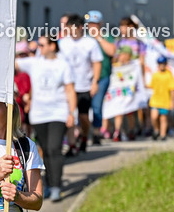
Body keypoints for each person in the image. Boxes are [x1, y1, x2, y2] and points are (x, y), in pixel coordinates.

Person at [16, 36, 77, 202]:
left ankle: (56, 186)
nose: (39, 47)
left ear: (52, 46)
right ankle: (49, 184)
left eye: (42, 44)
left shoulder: (63, 64)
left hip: (59, 112)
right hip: (38, 114)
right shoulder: (34, 62)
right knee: (45, 150)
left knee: (54, 148)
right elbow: (13, 64)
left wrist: (72, 113)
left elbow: (70, 90)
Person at [57, 13, 102, 153]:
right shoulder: (62, 43)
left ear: (81, 27)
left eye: (74, 29)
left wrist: (95, 82)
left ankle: (83, 136)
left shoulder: (90, 43)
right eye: (69, 28)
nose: (71, 32)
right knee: (69, 115)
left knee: (83, 117)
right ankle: (71, 145)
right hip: (68, 86)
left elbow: (97, 63)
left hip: (84, 85)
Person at [85, 10, 116, 142]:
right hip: (85, 78)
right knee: (84, 107)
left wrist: (98, 38)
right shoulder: (83, 38)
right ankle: (84, 133)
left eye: (95, 24)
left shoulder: (106, 36)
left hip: (102, 77)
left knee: (97, 105)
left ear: (100, 24)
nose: (92, 27)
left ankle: (97, 132)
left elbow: (112, 51)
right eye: (90, 24)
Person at [149, 56, 174, 140]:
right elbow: (151, 85)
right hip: (155, 100)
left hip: (165, 100)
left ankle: (163, 134)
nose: (162, 66)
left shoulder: (169, 75)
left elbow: (172, 89)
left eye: (163, 64)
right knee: (154, 117)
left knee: (163, 118)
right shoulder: (155, 75)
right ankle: (157, 130)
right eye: (160, 64)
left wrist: (172, 101)